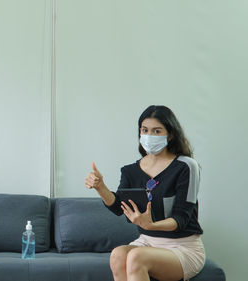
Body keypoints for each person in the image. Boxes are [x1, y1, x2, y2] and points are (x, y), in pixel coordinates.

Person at [85, 105, 205, 281]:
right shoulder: (130, 170)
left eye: (157, 131)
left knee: (136, 256)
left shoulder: (186, 166)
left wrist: (151, 225)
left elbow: (182, 218)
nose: (149, 136)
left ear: (170, 134)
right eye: (145, 130)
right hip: (147, 241)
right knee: (118, 255)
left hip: (182, 246)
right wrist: (100, 187)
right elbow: (119, 207)